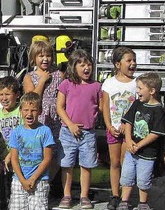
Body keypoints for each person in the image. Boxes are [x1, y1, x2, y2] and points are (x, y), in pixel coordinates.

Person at [56, 49, 101, 209]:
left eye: (89, 64)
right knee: (66, 165)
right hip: (68, 132)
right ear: (73, 67)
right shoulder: (66, 84)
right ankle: (67, 195)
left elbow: (102, 108)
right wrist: (70, 124)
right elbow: (60, 107)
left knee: (86, 165)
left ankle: (84, 196)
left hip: (88, 133)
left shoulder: (96, 86)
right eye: (82, 65)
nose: (86, 68)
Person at [117, 73, 165, 210]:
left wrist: (139, 145)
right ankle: (124, 201)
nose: (137, 91)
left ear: (152, 91)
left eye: (140, 88)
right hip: (131, 150)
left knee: (143, 179)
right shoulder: (137, 104)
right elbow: (128, 122)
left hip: (147, 153)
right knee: (126, 176)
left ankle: (143, 203)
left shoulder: (158, 110)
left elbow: (155, 133)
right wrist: (128, 140)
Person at [100, 47, 136, 210]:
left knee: (126, 162)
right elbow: (105, 107)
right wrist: (109, 125)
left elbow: (138, 108)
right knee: (114, 162)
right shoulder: (109, 83)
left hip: (130, 131)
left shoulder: (137, 83)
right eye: (128, 60)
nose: (132, 64)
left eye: (134, 60)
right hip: (113, 129)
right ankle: (114, 194)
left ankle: (125, 196)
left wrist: (126, 125)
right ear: (117, 64)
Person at [8, 92, 55, 210]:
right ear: (21, 110)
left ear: (40, 111)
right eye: (26, 110)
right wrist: (23, 180)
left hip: (40, 181)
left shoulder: (45, 131)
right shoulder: (16, 132)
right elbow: (14, 159)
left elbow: (47, 158)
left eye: (33, 110)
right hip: (19, 180)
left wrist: (34, 178)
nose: (29, 114)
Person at [0, 76, 21, 210]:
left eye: (8, 94)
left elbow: (22, 136)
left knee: (15, 194)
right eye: (1, 94)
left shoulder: (20, 111)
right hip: (1, 162)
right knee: (2, 195)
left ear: (17, 95)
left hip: (17, 161)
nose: (4, 98)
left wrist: (10, 156)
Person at [23, 40, 63, 140]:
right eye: (41, 56)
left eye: (48, 56)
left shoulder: (59, 75)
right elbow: (31, 100)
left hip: (56, 119)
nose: (45, 59)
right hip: (39, 117)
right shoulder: (29, 77)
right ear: (34, 58)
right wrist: (42, 81)